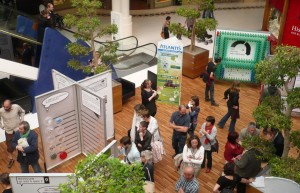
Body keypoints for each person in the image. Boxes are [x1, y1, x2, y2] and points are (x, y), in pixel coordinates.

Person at [0, 99, 25, 168]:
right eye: (4, 106)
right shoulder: (1, 111)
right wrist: (0, 125)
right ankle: (11, 159)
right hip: (8, 131)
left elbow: (22, 112)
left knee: (22, 143)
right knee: (9, 147)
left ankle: (23, 157)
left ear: (11, 105)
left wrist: (22, 120)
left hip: (18, 130)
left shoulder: (16, 107)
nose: (5, 108)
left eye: (7, 107)